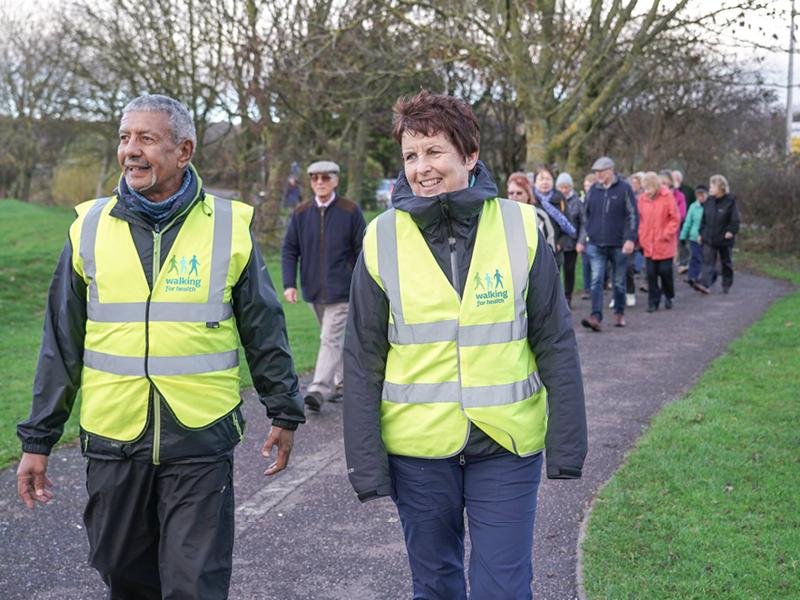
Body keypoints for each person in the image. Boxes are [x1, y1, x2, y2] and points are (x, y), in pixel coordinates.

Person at [15, 94, 303, 599]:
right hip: (113, 438)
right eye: (125, 138)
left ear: (184, 150)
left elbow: (264, 328)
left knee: (195, 584)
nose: (131, 150)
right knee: (122, 573)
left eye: (146, 139)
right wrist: (38, 439)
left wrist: (283, 409)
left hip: (200, 439)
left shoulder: (229, 226)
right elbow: (60, 342)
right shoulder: (88, 227)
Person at [343, 91, 587, 600]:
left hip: (506, 444)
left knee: (504, 585)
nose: (421, 168)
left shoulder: (522, 227)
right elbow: (363, 356)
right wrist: (365, 460)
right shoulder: (380, 237)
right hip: (418, 450)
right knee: (435, 585)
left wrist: (567, 444)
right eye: (411, 156)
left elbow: (555, 341)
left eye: (434, 151)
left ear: (470, 155)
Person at [281, 160, 366, 411]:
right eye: (315, 178)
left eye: (326, 178)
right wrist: (289, 283)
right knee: (332, 338)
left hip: (343, 291)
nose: (320, 182)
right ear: (310, 182)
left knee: (329, 338)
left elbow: (363, 250)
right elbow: (289, 249)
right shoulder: (301, 213)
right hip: (313, 291)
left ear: (336, 181)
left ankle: (319, 388)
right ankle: (343, 383)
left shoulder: (350, 211)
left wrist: (358, 280)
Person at [576, 156, 637, 331]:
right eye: (595, 172)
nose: (597, 175)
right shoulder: (593, 191)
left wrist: (630, 239)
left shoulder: (624, 189)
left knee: (618, 281)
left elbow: (633, 215)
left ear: (611, 170)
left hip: (619, 244)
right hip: (596, 244)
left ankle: (619, 313)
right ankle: (596, 316)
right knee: (596, 281)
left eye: (600, 172)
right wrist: (582, 240)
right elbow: (585, 216)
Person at [638, 172, 680, 312]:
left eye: (648, 188)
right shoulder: (642, 199)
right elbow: (639, 219)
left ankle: (669, 296)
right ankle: (653, 301)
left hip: (664, 242)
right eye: (644, 188)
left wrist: (666, 233)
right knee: (650, 274)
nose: (646, 191)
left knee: (665, 271)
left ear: (655, 186)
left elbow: (675, 218)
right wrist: (640, 235)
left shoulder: (667, 197)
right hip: (648, 242)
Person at [695, 174, 740, 294]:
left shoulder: (730, 201)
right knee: (707, 262)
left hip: (724, 238)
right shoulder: (709, 201)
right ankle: (705, 284)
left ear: (720, 187)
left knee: (726, 262)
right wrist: (700, 233)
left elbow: (735, 219)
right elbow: (703, 219)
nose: (710, 189)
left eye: (712, 186)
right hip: (709, 237)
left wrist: (731, 231)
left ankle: (726, 284)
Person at [531, 165, 576, 269]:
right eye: (541, 179)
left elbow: (568, 225)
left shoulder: (559, 198)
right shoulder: (530, 198)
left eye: (548, 179)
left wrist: (559, 245)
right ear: (535, 182)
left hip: (555, 253)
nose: (545, 182)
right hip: (535, 252)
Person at [507, 172, 557, 252]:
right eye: (511, 193)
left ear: (528, 194)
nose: (514, 196)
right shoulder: (503, 216)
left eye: (519, 193)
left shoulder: (539, 216)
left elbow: (550, 246)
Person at [556, 172, 582, 307]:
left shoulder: (577, 202)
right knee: (555, 272)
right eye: (561, 187)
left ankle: (568, 297)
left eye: (566, 187)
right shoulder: (553, 201)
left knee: (569, 271)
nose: (564, 190)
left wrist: (580, 241)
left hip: (571, 243)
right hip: (556, 243)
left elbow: (582, 222)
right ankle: (556, 298)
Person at [679, 184, 708, 286]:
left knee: (703, 258)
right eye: (698, 195)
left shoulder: (710, 207)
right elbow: (688, 222)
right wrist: (682, 235)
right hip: (693, 237)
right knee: (695, 256)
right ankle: (692, 276)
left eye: (702, 194)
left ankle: (701, 277)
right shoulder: (693, 206)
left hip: (706, 237)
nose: (700, 197)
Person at [672, 169, 695, 272]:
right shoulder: (667, 190)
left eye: (677, 177)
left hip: (685, 220)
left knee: (683, 241)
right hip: (672, 220)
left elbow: (693, 203)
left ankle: (683, 263)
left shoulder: (688, 190)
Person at [579, 173, 596, 299]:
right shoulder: (583, 200)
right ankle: (587, 289)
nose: (587, 188)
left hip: (596, 238)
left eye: (589, 186)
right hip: (586, 238)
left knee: (597, 266)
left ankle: (596, 288)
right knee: (586, 265)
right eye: (585, 186)